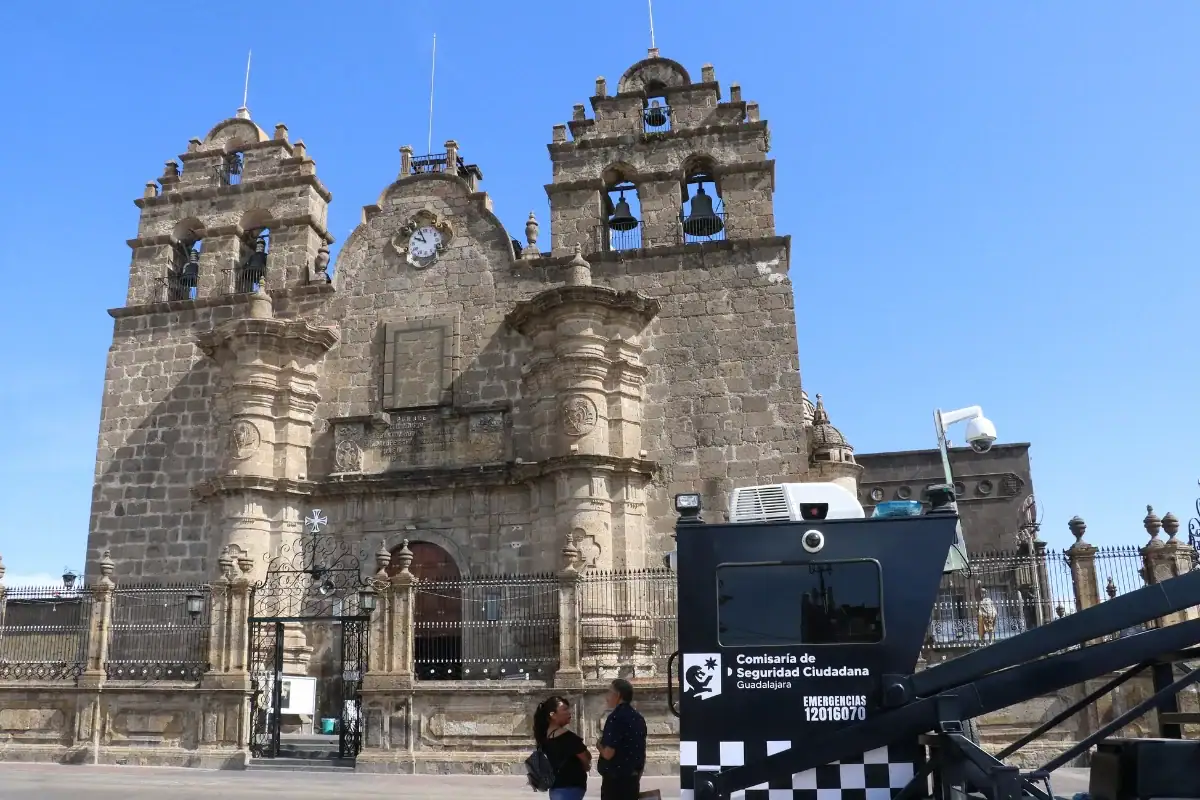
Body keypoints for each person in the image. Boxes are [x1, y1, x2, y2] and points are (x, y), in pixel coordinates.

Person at [533, 694, 592, 800]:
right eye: (564, 709)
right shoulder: (567, 737)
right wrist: (586, 765)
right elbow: (585, 757)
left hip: (555, 788)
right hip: (570, 787)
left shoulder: (545, 737)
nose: (569, 712)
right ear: (553, 715)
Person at [596, 678, 647, 800]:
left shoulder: (615, 718)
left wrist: (599, 746)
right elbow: (641, 751)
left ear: (618, 695)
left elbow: (608, 753)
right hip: (632, 779)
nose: (607, 697)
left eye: (609, 692)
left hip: (615, 783)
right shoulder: (638, 718)